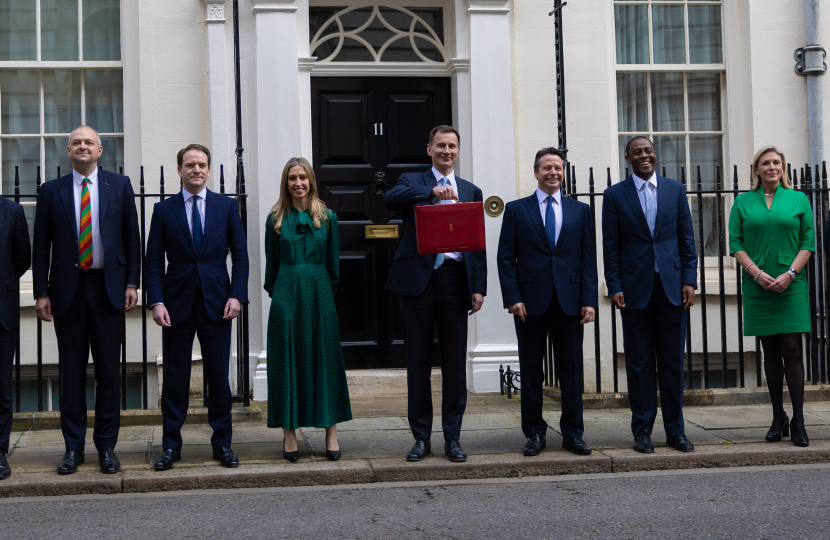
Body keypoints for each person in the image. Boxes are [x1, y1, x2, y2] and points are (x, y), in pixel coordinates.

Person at [32, 125, 141, 475]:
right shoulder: (51, 191)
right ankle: (72, 449)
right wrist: (40, 292)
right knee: (71, 374)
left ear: (100, 150)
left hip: (108, 289)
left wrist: (132, 283)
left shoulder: (120, 186)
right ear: (68, 151)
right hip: (67, 291)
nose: (82, 147)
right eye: (76, 143)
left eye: (88, 143)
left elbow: (131, 238)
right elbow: (40, 248)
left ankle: (107, 447)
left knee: (109, 373)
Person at [383, 125, 487, 463]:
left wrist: (479, 287)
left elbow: (478, 243)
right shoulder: (412, 182)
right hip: (418, 282)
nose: (446, 151)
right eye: (440, 145)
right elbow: (389, 199)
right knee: (418, 363)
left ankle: (453, 438)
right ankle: (421, 438)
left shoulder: (471, 190)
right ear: (429, 149)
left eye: (452, 146)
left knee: (455, 365)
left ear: (459, 151)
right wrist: (431, 193)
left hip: (456, 281)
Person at [146, 144, 249, 470]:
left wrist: (237, 295)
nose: (196, 169)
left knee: (219, 377)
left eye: (202, 164)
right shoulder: (164, 210)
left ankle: (223, 445)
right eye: (190, 164)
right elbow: (152, 261)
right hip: (175, 306)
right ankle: (170, 447)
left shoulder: (225, 207)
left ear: (207, 169)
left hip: (218, 304)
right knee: (175, 379)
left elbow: (241, 256)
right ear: (179, 170)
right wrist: (157, 300)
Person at [497, 147, 597, 457]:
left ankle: (573, 433)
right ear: (536, 172)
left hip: (570, 301)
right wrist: (512, 298)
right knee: (530, 370)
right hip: (529, 303)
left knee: (571, 369)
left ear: (563, 172)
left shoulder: (580, 211)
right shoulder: (516, 210)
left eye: (558, 167)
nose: (553, 172)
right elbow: (505, 258)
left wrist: (589, 300)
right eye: (547, 168)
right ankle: (535, 433)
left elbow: (588, 259)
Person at [602, 136, 697, 454]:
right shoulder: (615, 195)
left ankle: (675, 432)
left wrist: (690, 280)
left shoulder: (675, 190)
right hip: (633, 290)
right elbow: (611, 245)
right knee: (640, 363)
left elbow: (687, 239)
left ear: (655, 155)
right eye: (637, 152)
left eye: (648, 151)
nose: (644, 156)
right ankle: (642, 431)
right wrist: (614, 285)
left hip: (672, 288)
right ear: (627, 159)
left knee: (672, 363)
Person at [264, 157, 352, 462]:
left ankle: (331, 431)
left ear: (311, 181)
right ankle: (289, 432)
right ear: (286, 183)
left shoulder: (328, 218)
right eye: (292, 178)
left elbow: (333, 266)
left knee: (324, 360)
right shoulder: (275, 219)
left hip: (320, 293)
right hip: (286, 291)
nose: (298, 183)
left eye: (303, 177)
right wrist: (282, 295)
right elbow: (271, 267)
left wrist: (323, 294)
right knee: (288, 359)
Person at [730, 146, 814, 447]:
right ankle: (778, 416)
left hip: (791, 283)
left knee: (792, 349)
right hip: (758, 285)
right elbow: (735, 243)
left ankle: (799, 419)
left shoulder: (799, 199)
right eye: (765, 163)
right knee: (770, 351)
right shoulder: (742, 202)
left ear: (783, 168)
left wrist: (789, 273)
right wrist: (756, 272)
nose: (771, 167)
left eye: (776, 162)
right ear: (756, 169)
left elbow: (808, 242)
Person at [0, 196, 31, 479]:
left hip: (1, 311)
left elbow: (22, 258)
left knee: (1, 388)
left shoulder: (12, 210)